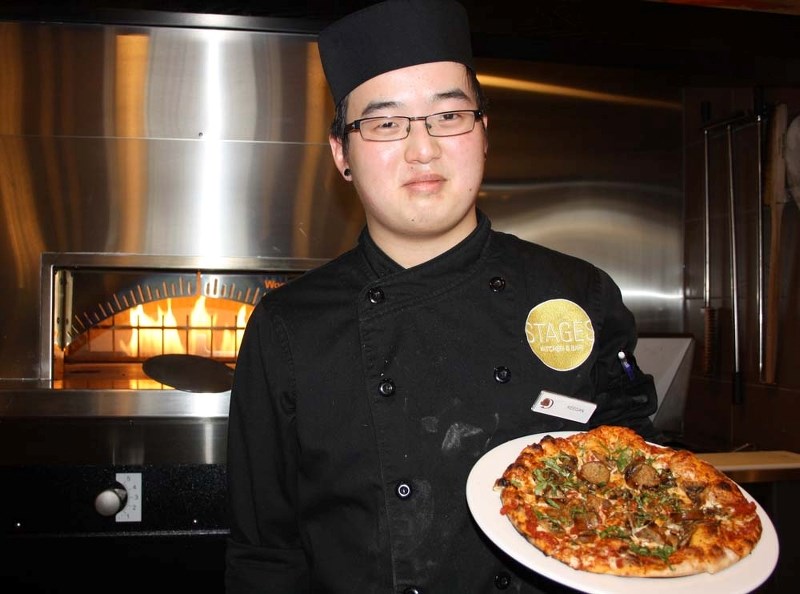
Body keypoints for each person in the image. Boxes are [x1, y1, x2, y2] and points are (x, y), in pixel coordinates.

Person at [225, 0, 659, 592]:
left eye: (449, 115)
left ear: (484, 133)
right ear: (341, 154)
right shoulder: (288, 328)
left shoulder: (580, 293)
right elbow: (265, 554)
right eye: (385, 123)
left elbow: (644, 489)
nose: (422, 149)